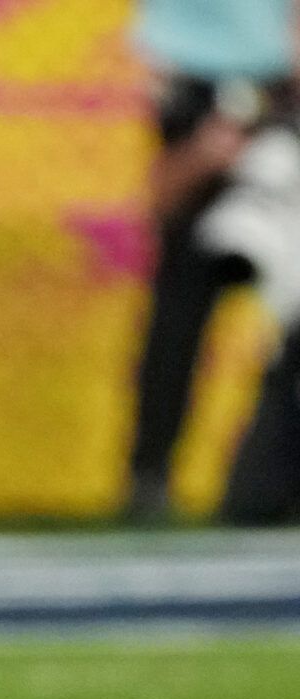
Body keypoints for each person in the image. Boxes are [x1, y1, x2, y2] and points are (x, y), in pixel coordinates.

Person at [126, 0, 300, 524]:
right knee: (180, 302)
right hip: (210, 99)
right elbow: (161, 198)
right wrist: (207, 150)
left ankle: (263, 477)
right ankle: (150, 477)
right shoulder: (194, 90)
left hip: (272, 97)